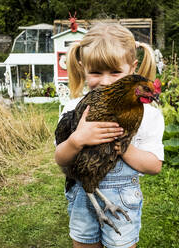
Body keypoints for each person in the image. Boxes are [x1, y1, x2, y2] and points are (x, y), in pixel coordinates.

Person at [54, 23, 164, 248]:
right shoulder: (75, 108)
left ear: (132, 69)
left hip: (123, 199)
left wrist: (125, 148)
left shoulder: (148, 116)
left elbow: (154, 166)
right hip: (83, 198)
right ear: (83, 68)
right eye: (95, 72)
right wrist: (77, 140)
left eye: (115, 72)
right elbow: (61, 159)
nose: (105, 81)